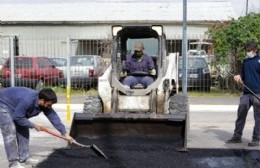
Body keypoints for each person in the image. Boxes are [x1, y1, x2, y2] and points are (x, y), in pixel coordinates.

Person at [0, 87, 74, 168]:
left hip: (15, 105)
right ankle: (13, 163)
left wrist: (64, 133)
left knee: (24, 129)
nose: (50, 107)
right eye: (49, 105)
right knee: (10, 131)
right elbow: (17, 117)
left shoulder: (44, 103)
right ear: (42, 100)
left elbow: (54, 117)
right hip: (3, 103)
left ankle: (24, 158)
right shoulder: (27, 100)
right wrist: (34, 126)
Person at [226, 40, 260, 146]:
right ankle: (237, 137)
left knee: (258, 117)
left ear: (255, 50)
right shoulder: (245, 62)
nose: (247, 52)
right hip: (246, 93)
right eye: (246, 50)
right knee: (241, 113)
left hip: (257, 93)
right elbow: (242, 75)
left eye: (249, 50)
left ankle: (256, 139)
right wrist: (238, 77)